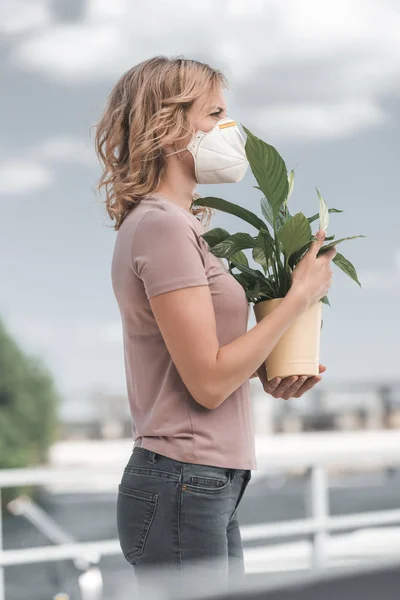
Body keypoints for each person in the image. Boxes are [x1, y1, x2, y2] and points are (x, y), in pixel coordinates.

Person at [93, 55, 336, 594]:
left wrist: (267, 371)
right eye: (215, 112)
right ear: (167, 122)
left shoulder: (178, 226)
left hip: (203, 480)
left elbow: (199, 367)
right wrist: (298, 298)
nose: (231, 130)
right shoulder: (160, 227)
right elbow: (206, 382)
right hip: (183, 477)